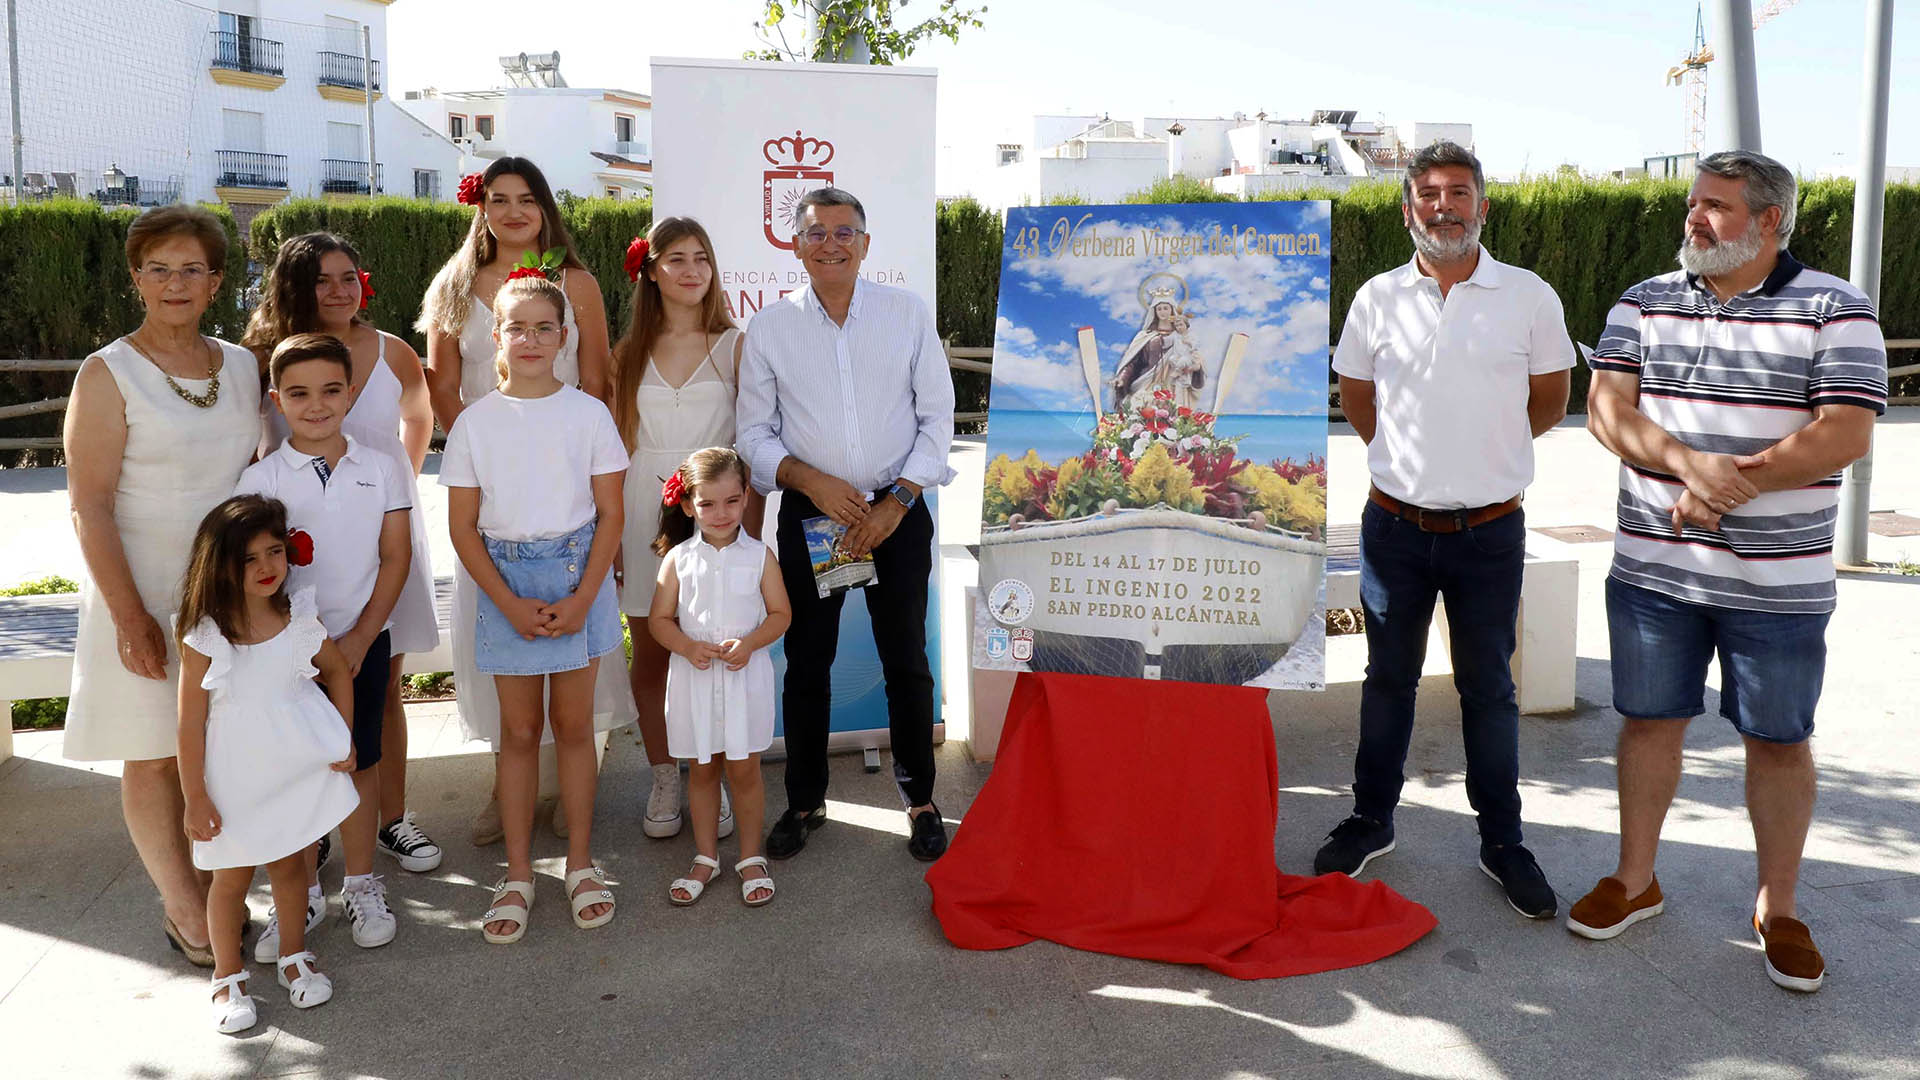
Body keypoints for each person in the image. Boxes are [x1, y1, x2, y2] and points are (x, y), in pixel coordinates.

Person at [1574, 150, 1885, 992]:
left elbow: (1844, 434)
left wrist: (1725, 485)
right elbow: (1608, 411)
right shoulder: (1644, 300)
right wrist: (1689, 465)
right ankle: (1636, 881)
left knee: (1779, 742)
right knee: (1646, 724)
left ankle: (1777, 908)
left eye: (1715, 205)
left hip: (1777, 589)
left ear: (1768, 219)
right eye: (1693, 202)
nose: (1695, 217)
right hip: (1653, 574)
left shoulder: (1834, 308)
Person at [1316, 140, 1574, 919]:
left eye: (1458, 191)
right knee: (1386, 682)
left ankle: (1503, 840)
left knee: (1489, 690)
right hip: (1394, 528)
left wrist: (1478, 467)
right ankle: (1371, 820)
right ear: (1407, 210)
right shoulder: (1375, 298)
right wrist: (1411, 469)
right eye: (1428, 193)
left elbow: (1549, 401)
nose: (1443, 205)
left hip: (1490, 534)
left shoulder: (1528, 295)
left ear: (1481, 206)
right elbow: (1359, 401)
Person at [61, 205, 264, 967]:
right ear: (135, 279)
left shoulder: (241, 364)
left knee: (221, 747)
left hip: (229, 591)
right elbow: (90, 502)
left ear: (216, 282)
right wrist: (128, 615)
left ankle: (226, 880)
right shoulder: (107, 372)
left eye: (191, 269)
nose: (174, 283)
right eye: (158, 268)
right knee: (151, 751)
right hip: (141, 587)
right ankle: (183, 906)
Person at [735, 187, 957, 862]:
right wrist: (810, 481)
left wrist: (897, 502)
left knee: (906, 661)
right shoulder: (771, 328)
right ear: (795, 244)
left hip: (899, 509)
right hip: (814, 515)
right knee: (807, 663)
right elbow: (752, 434)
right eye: (817, 233)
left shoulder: (907, 314)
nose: (831, 243)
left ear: (865, 243)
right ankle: (805, 801)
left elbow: (937, 418)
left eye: (844, 232)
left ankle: (920, 799)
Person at [417, 157, 630, 844]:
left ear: (545, 209)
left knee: (571, 657)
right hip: (492, 478)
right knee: (498, 640)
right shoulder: (453, 287)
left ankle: (565, 791)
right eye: (499, 199)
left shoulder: (578, 284)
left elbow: (596, 376)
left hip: (567, 476)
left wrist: (566, 455)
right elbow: (443, 387)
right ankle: (507, 781)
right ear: (480, 209)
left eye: (526, 200)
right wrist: (491, 448)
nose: (512, 212)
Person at [241, 232, 444, 875]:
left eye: (348, 277)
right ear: (297, 287)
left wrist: (399, 480)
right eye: (323, 279)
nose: (338, 290)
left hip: (381, 542)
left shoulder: (394, 353)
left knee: (381, 685)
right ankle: (321, 821)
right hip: (299, 548)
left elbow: (420, 413)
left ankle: (392, 819)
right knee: (304, 687)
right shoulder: (268, 357)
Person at [440, 274, 628, 942]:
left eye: (545, 327)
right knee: (519, 734)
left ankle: (580, 864)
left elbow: (611, 514)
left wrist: (582, 598)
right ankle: (518, 873)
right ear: (496, 335)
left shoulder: (589, 414)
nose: (531, 339)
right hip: (507, 582)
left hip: (580, 578)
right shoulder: (474, 422)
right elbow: (463, 526)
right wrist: (509, 603)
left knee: (575, 728)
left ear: (564, 337)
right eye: (517, 327)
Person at [234, 334, 413, 959]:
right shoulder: (259, 480)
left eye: (331, 390)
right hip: (285, 654)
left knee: (357, 759)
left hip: (362, 643)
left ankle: (362, 883)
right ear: (277, 400)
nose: (317, 405)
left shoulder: (383, 467)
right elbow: (253, 570)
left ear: (351, 393)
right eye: (300, 394)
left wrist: (363, 636)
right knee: (298, 767)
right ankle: (303, 887)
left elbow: (396, 557)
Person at [174, 495, 360, 1032]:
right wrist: (196, 796)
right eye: (249, 558)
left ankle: (294, 957)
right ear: (221, 566)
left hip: (292, 765)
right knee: (229, 878)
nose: (266, 568)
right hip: (233, 776)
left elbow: (338, 672)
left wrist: (341, 737)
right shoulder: (206, 635)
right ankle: (228, 976)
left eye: (274, 552)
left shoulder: (298, 616)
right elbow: (189, 723)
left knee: (290, 866)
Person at [609, 218, 756, 842]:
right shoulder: (627, 352)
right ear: (650, 270)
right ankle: (665, 772)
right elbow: (616, 446)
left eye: (702, 257)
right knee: (652, 646)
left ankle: (712, 774)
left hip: (714, 510)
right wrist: (612, 534)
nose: (691, 270)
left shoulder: (736, 346)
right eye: (675, 259)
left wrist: (742, 531)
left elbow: (751, 442)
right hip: (644, 507)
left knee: (716, 647)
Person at [647, 448, 790, 907]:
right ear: (688, 505)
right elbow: (659, 621)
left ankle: (750, 858)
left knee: (745, 771)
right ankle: (706, 857)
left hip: (742, 679)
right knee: (702, 770)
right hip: (696, 679)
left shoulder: (760, 556)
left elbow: (781, 613)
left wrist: (749, 643)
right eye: (708, 504)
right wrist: (688, 647)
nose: (721, 513)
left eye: (732, 501)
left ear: (747, 497)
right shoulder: (678, 560)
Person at [1113, 296, 1204, 413]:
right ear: (1154, 311)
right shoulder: (1145, 335)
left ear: (1172, 310)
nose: (1162, 312)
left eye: (1166, 308)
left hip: (1173, 383)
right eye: (1159, 308)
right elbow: (1133, 361)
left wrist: (1192, 367)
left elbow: (1195, 357)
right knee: (1143, 411)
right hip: (1146, 384)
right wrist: (1122, 378)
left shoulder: (1183, 336)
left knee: (1173, 413)